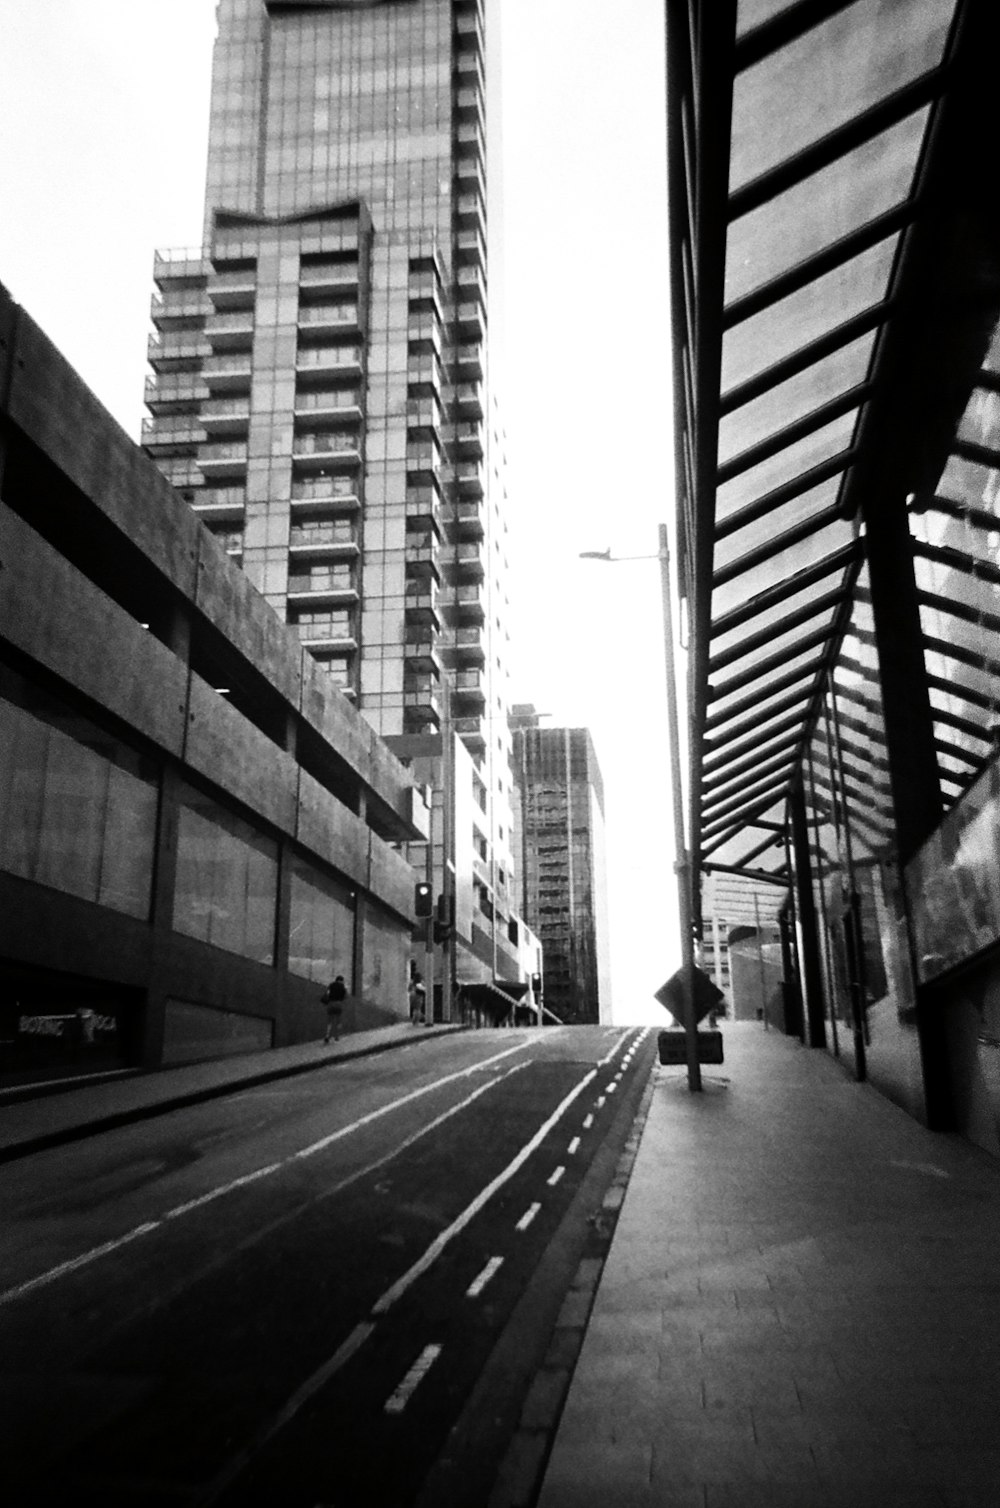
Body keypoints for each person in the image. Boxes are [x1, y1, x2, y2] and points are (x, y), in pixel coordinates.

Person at [321, 974, 347, 1043]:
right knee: (338, 1021)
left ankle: (327, 1036)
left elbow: (327, 993)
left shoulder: (331, 985)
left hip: (331, 1004)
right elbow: (344, 996)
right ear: (341, 981)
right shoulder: (342, 987)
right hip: (338, 1004)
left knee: (329, 1021)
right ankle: (337, 1036)